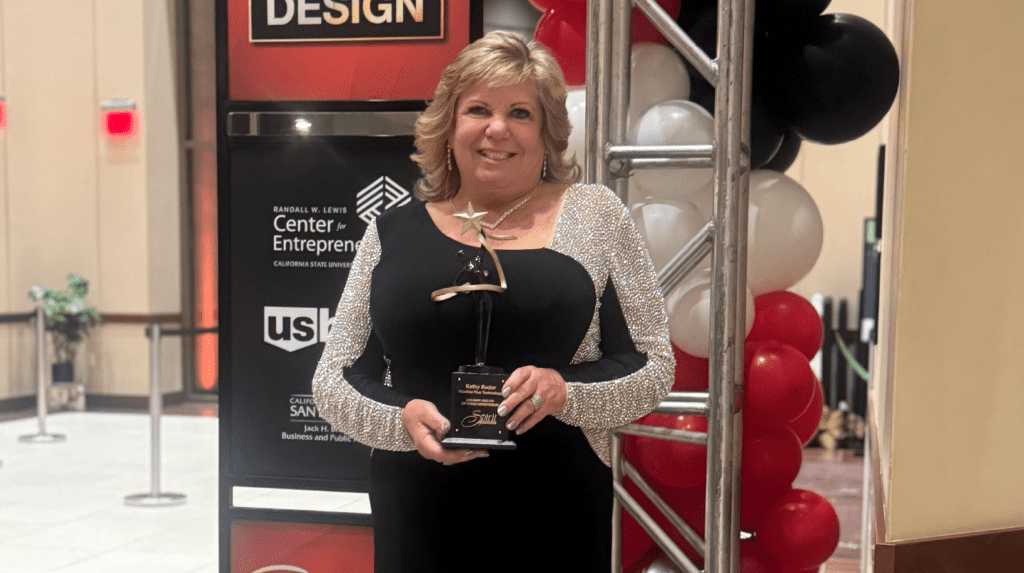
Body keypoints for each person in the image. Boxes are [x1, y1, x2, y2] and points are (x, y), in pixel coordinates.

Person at [312, 30, 674, 573]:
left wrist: (564, 390)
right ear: (449, 124)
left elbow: (653, 367)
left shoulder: (595, 217)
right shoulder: (390, 231)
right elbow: (333, 379)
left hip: (557, 514)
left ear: (548, 131)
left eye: (521, 113)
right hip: (417, 513)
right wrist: (400, 420)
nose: (497, 129)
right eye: (478, 109)